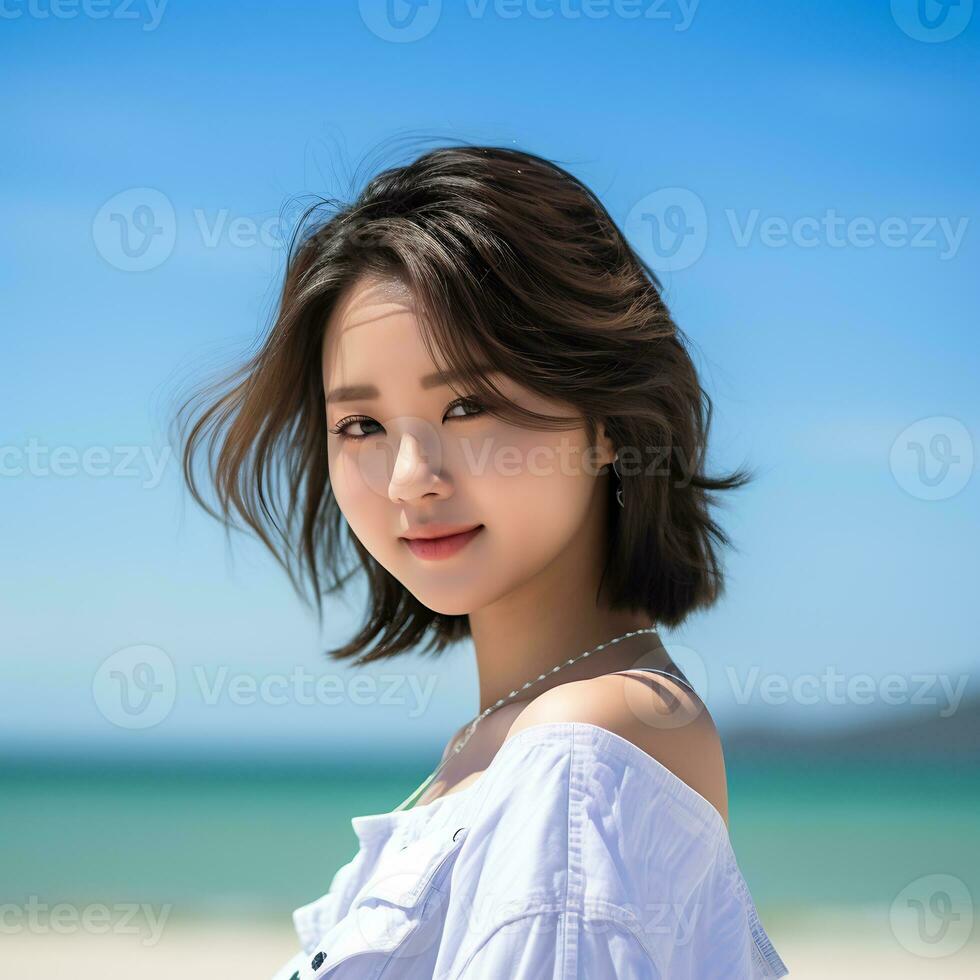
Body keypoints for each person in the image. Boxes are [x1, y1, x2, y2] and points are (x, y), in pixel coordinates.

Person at [176, 143, 790, 978]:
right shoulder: (508, 743)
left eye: (467, 406)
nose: (409, 479)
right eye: (361, 425)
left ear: (605, 420)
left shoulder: (578, 752)